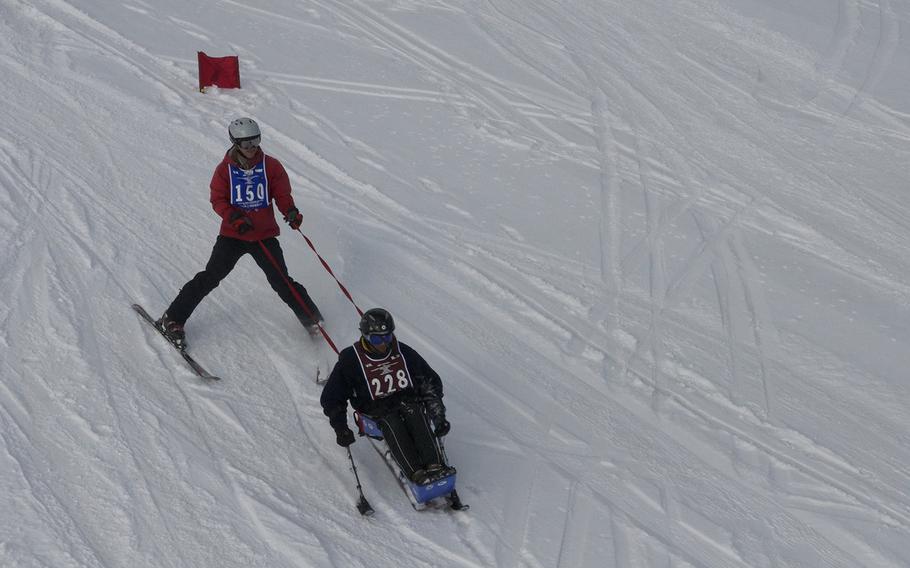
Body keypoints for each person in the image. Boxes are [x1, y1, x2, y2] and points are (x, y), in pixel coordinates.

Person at [156, 117, 322, 349]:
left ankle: (313, 322)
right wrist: (234, 218)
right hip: (233, 236)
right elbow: (218, 199)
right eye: (246, 144)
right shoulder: (225, 169)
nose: (252, 147)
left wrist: (291, 212)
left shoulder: (271, 166)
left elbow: (282, 194)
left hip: (263, 235)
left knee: (282, 281)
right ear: (235, 143)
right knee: (210, 277)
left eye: (255, 140)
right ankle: (172, 318)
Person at [320, 308, 452, 484]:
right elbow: (332, 396)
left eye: (387, 337)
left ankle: (435, 466)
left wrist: (438, 416)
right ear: (366, 336)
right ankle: (416, 473)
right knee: (393, 421)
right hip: (374, 409)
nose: (383, 343)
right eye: (376, 338)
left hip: (405, 400)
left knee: (414, 412)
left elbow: (428, 382)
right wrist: (340, 427)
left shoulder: (402, 352)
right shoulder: (351, 360)